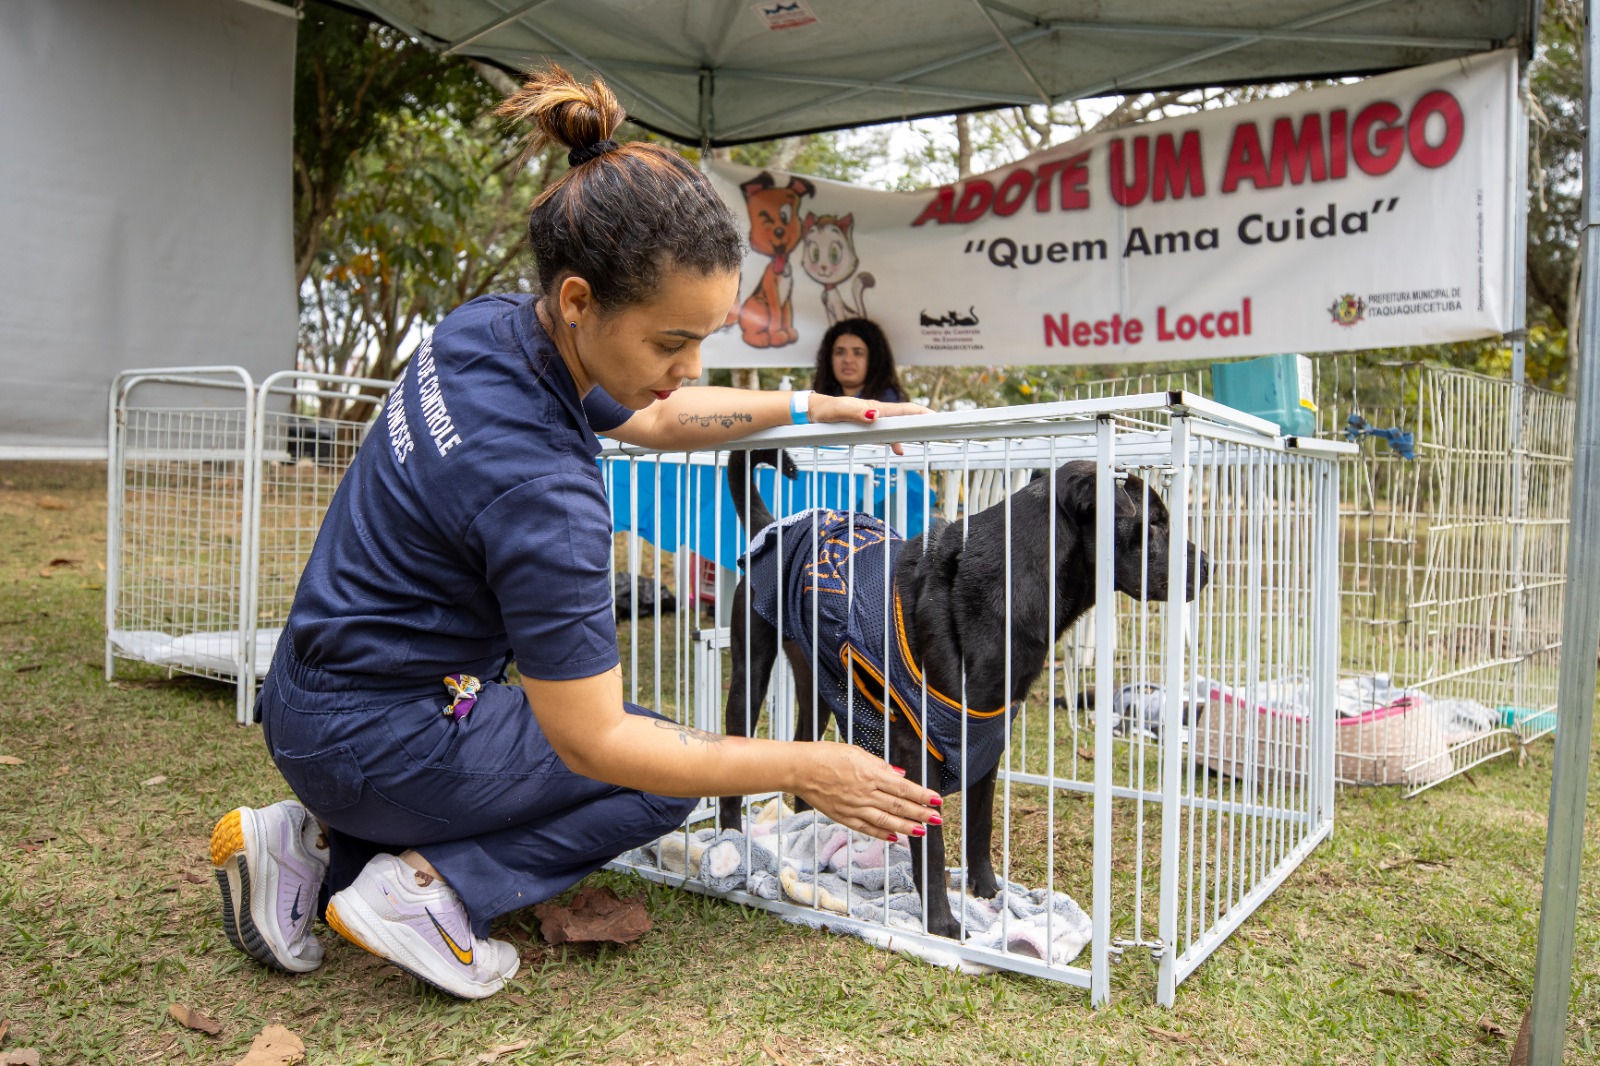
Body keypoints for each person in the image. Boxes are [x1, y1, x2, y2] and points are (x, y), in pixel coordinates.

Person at [208, 66, 939, 1001]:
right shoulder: (544, 495)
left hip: (309, 697)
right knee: (665, 772)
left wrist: (809, 405)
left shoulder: (491, 331)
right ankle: (429, 893)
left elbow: (665, 418)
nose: (688, 368)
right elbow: (595, 742)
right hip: (381, 737)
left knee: (614, 738)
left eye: (705, 339)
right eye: (673, 342)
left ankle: (306, 842)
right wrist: (806, 763)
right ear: (583, 300)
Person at [810, 317, 907, 403]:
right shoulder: (817, 401)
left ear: (874, 360)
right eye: (840, 352)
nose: (848, 360)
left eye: (858, 353)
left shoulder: (891, 401)